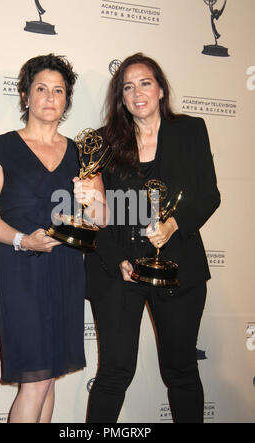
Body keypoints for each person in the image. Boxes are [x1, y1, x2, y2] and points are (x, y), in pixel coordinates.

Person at [85, 53, 220, 423]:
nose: (137, 92)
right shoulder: (101, 142)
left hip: (178, 267)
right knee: (114, 373)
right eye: (127, 87)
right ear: (121, 97)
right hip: (117, 270)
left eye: (145, 83)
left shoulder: (191, 130)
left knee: (181, 371)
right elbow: (93, 215)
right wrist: (117, 260)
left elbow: (209, 195)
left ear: (160, 89)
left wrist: (174, 224)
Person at [0, 54, 106, 423]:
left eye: (58, 90)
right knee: (34, 380)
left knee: (49, 379)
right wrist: (22, 240)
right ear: (25, 96)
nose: (50, 97)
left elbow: (102, 218)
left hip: (66, 270)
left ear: (67, 100)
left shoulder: (83, 154)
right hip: (21, 267)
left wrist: (90, 200)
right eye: (41, 89)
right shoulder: (0, 148)